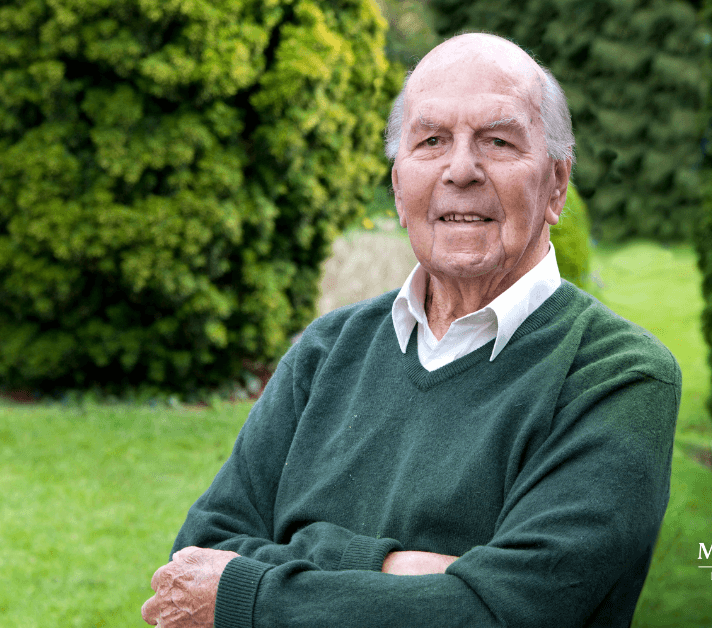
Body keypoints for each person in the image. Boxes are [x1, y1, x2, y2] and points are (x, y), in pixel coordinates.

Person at [141, 32, 680, 628]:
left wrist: (261, 590)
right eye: (431, 141)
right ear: (399, 187)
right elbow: (196, 559)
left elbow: (511, 613)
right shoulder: (326, 350)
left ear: (555, 185)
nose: (461, 170)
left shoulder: (617, 375)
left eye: (498, 141)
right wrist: (401, 569)